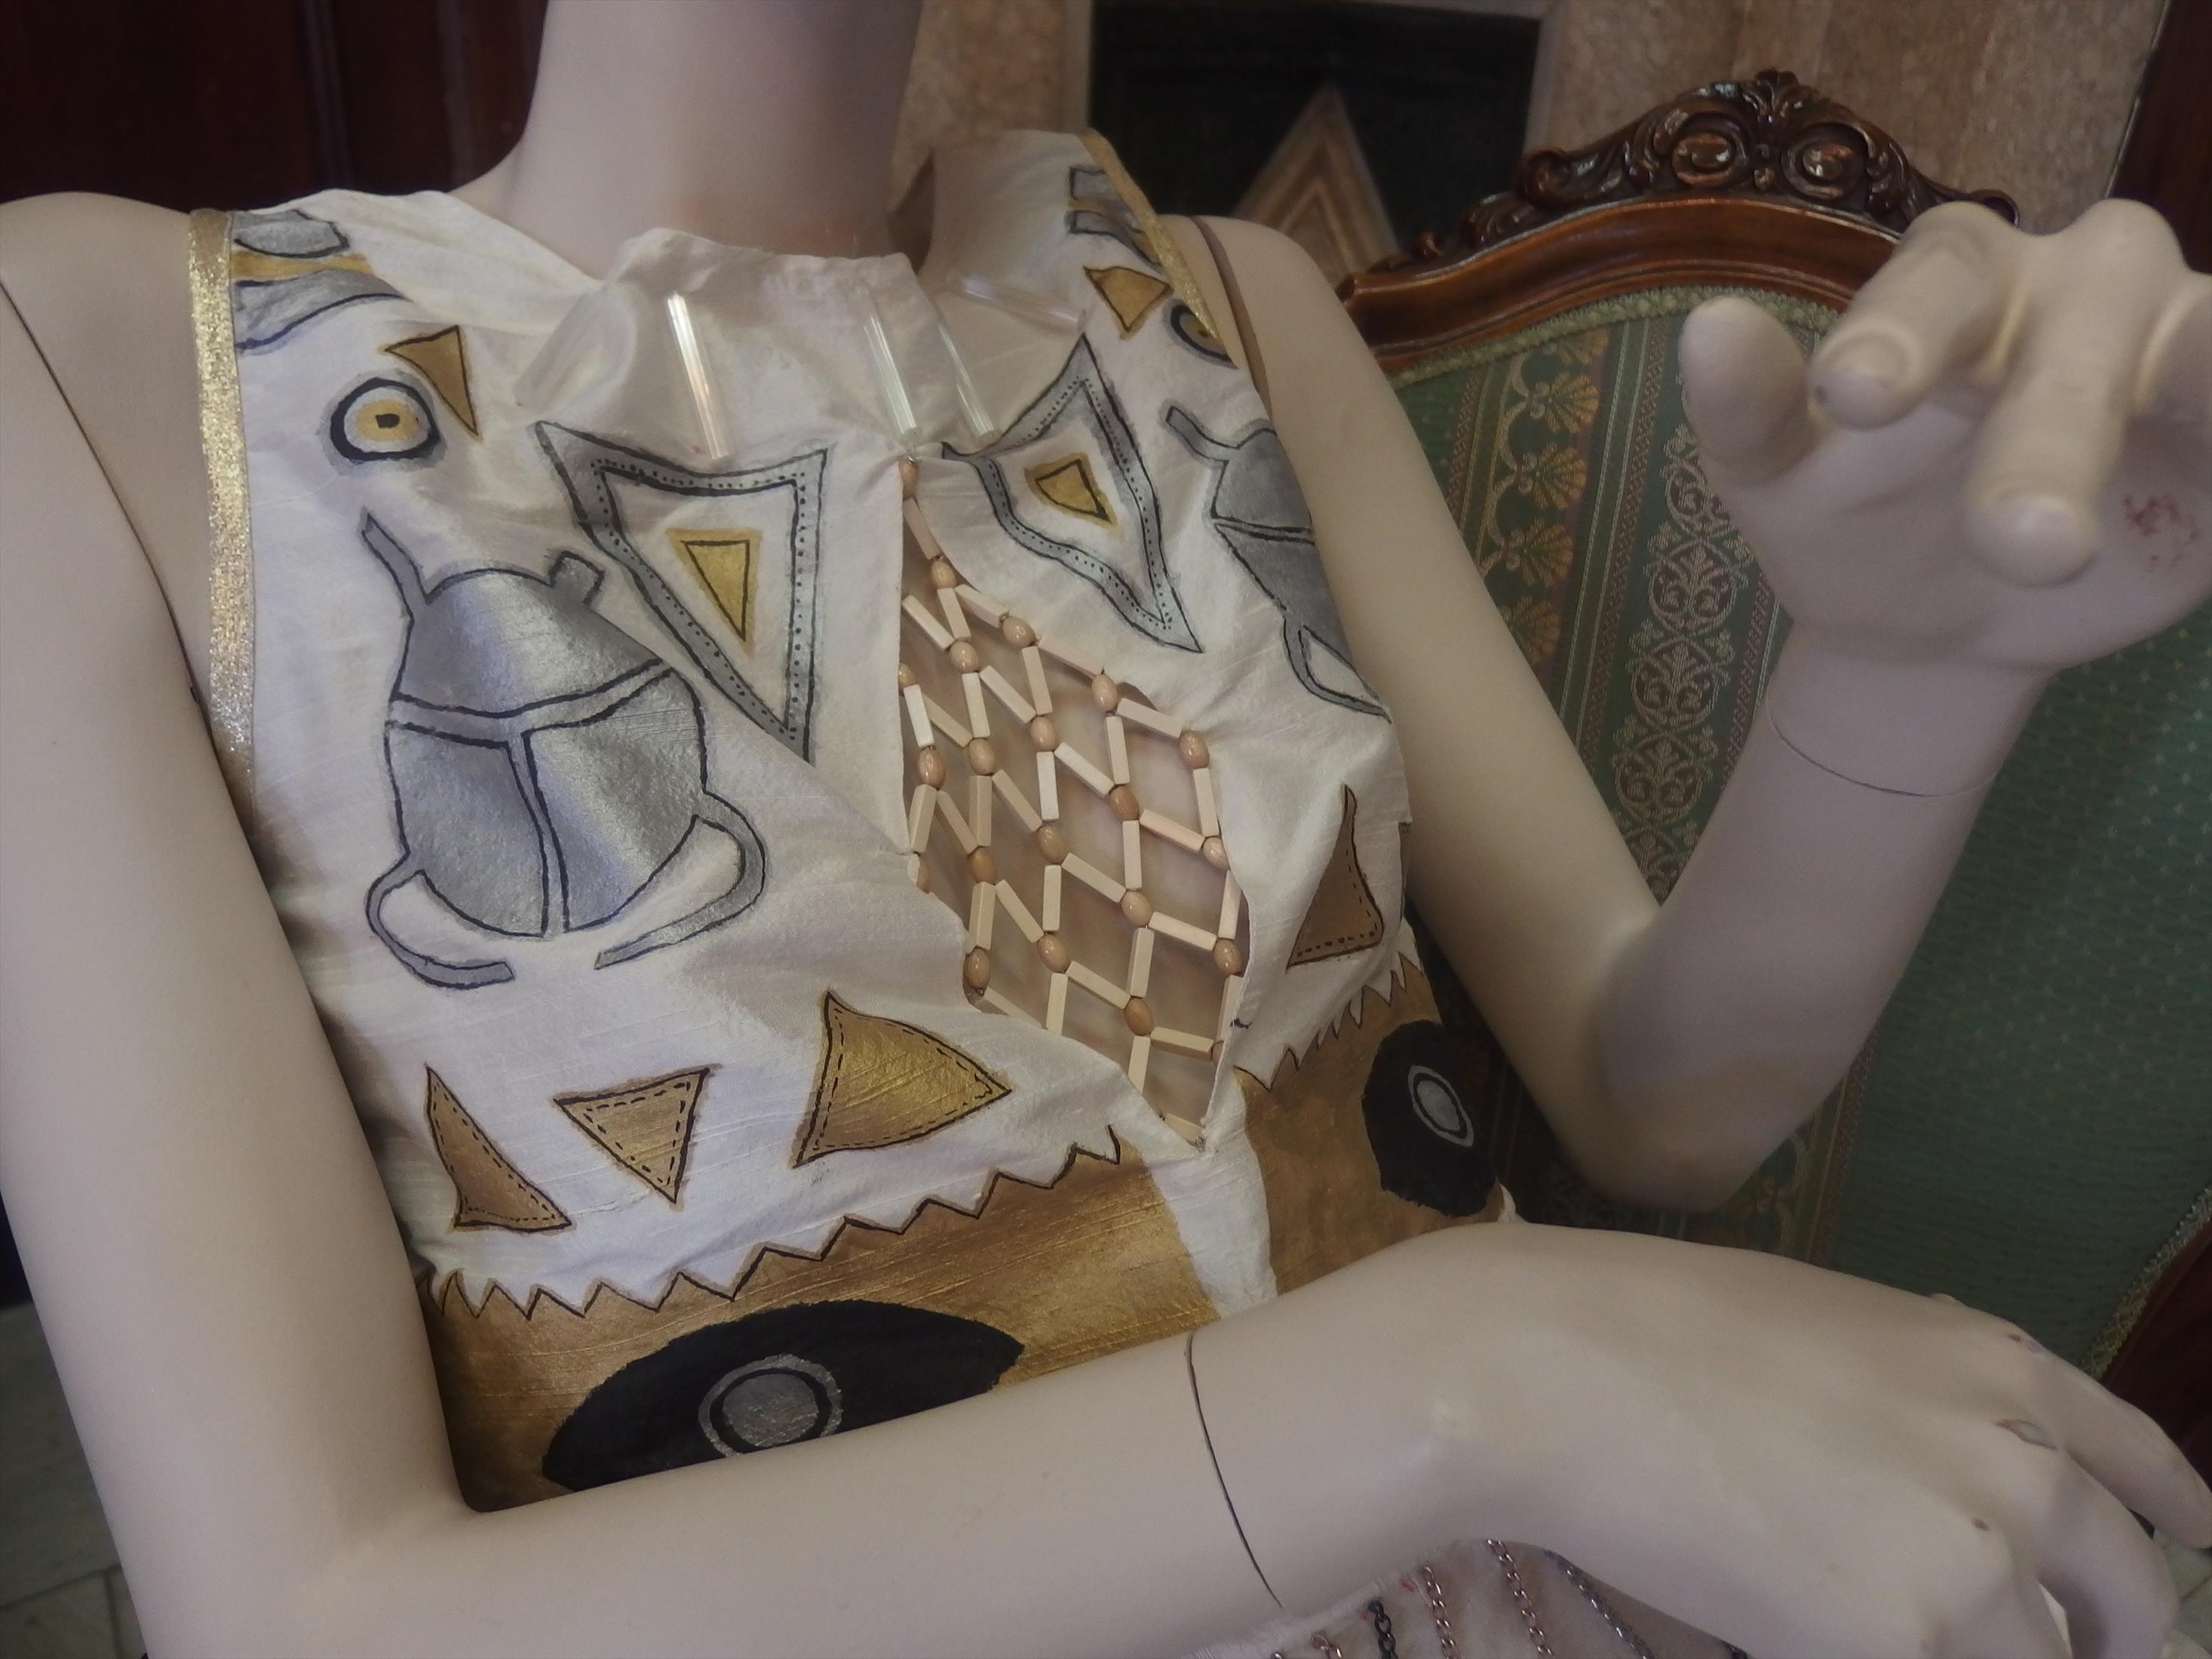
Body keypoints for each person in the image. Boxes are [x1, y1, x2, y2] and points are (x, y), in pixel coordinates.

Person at [1, 5, 2206, 1655]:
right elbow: (314, 1614)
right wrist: (1469, 1372)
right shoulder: (110, 376)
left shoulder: (1212, 300)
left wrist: (1914, 674)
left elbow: (1665, 1104)